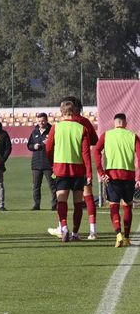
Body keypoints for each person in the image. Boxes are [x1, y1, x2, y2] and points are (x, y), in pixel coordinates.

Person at [45, 98, 93, 242]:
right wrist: (89, 173)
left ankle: (64, 227)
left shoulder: (56, 127)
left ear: (62, 112)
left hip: (61, 168)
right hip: (78, 169)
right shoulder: (81, 128)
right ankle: (75, 233)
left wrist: (52, 163)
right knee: (78, 202)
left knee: (61, 200)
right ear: (74, 112)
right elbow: (86, 153)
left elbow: (48, 148)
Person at [95, 113, 140, 248]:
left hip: (112, 176)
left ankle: (118, 234)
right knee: (127, 206)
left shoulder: (107, 135)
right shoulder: (133, 136)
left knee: (113, 206)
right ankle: (126, 237)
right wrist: (138, 176)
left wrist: (101, 172)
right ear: (125, 123)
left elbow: (96, 151)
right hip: (128, 176)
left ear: (114, 123)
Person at [65, 96, 101, 239]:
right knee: (87, 197)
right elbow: (95, 141)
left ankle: (64, 227)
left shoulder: (63, 124)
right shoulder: (85, 122)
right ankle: (92, 230)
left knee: (62, 197)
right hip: (82, 165)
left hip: (66, 165)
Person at [27, 112, 55, 211]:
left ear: (47, 120)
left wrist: (50, 143)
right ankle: (36, 205)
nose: (41, 123)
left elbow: (57, 144)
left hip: (49, 164)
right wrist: (33, 147)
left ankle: (54, 205)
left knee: (52, 185)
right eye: (39, 121)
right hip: (36, 163)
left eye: (43, 120)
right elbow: (29, 145)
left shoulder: (52, 131)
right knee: (36, 186)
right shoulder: (34, 132)